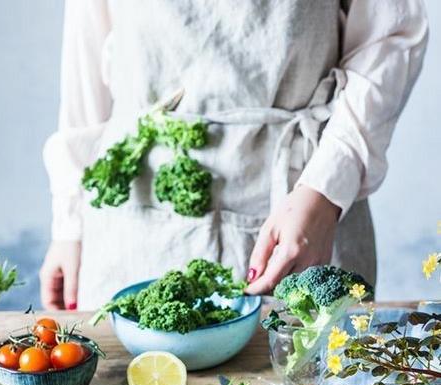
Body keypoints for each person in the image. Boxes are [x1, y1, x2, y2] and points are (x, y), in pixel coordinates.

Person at [40, 0, 428, 310]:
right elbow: (87, 36)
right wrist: (69, 224)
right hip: (135, 223)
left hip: (304, 206)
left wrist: (326, 189)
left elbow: (390, 34)